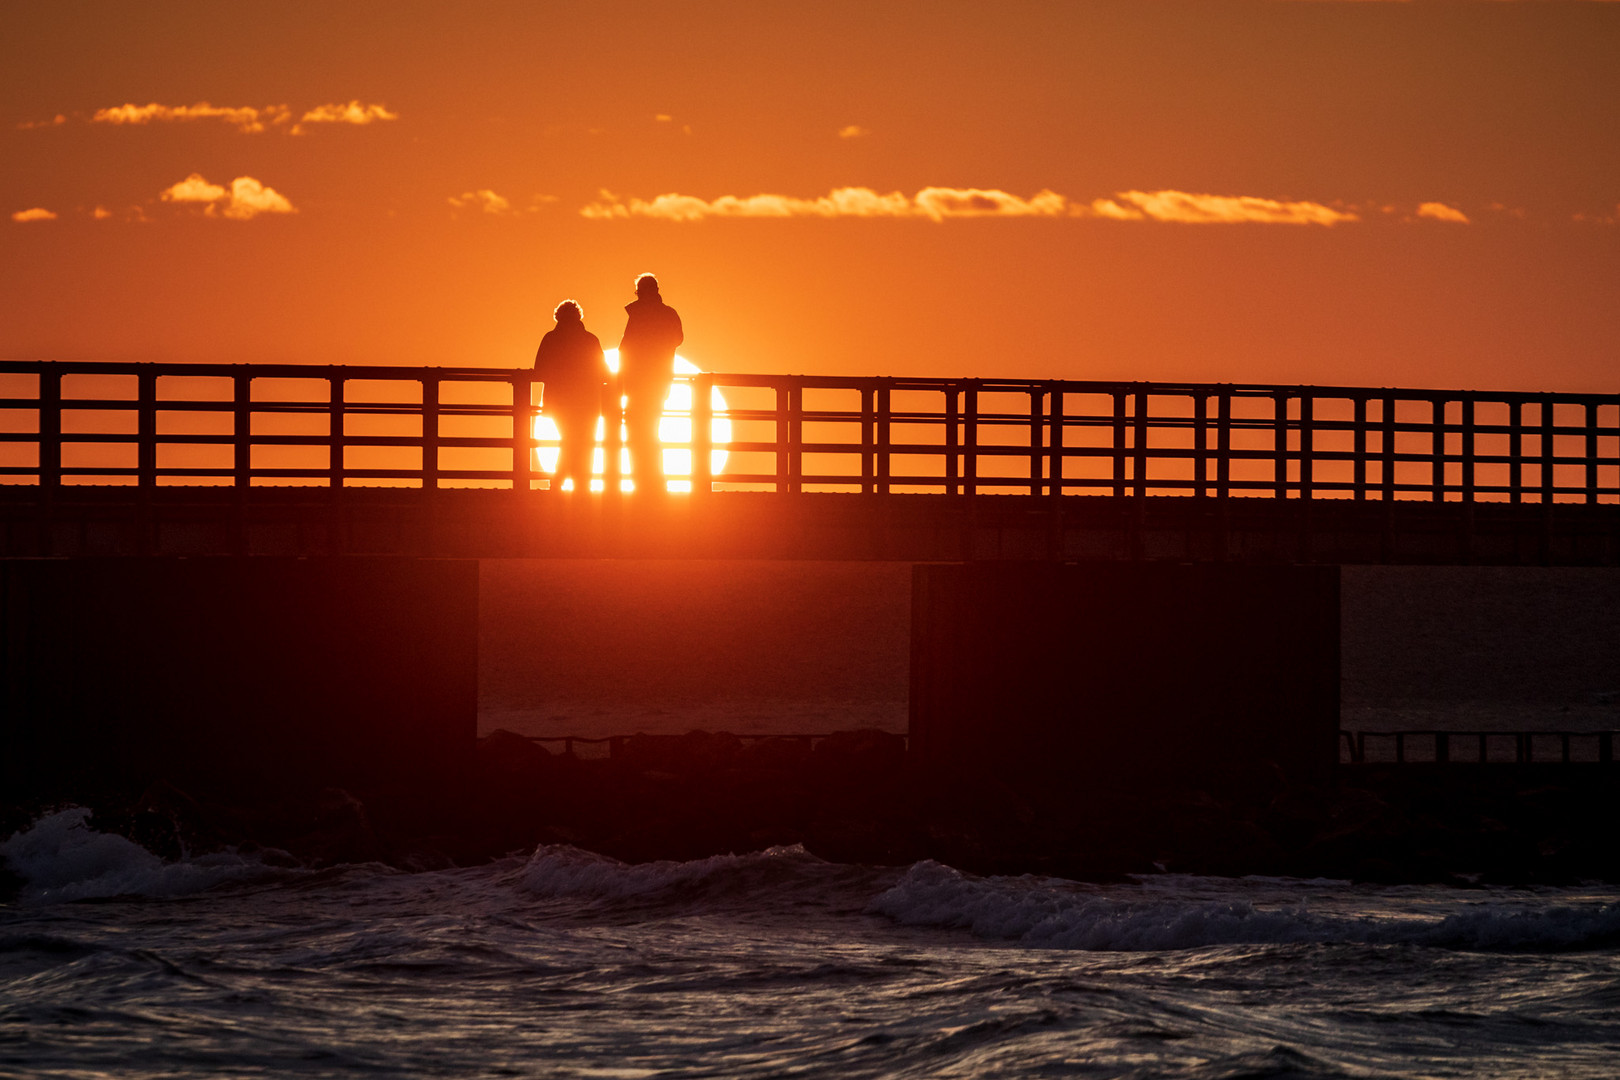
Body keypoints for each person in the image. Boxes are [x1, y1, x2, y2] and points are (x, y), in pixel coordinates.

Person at [616, 273, 683, 489]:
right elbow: (678, 339)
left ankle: (643, 479)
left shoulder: (637, 316)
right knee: (650, 429)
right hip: (660, 380)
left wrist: (620, 380)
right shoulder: (669, 314)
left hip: (636, 382)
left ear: (640, 292)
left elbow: (626, 348)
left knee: (638, 431)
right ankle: (654, 480)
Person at [533, 300, 607, 491]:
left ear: (558, 317)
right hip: (588, 402)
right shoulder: (590, 340)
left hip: (559, 401)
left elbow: (539, 370)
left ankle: (558, 482)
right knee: (584, 442)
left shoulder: (550, 339)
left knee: (568, 440)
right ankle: (581, 484)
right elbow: (603, 372)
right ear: (578, 317)